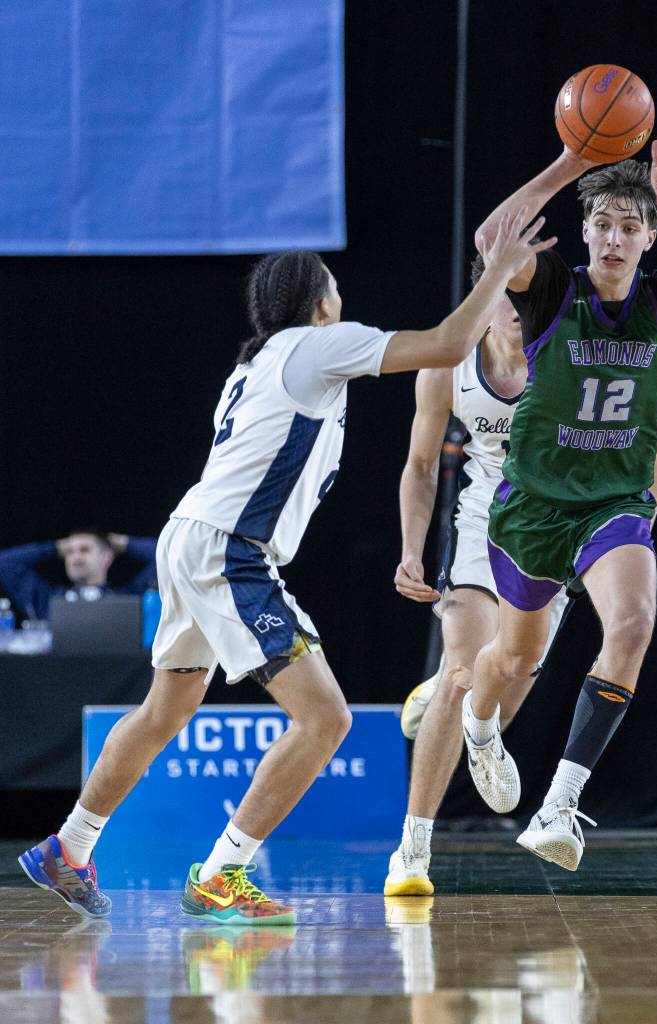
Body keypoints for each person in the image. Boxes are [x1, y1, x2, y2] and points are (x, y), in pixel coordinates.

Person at [19, 210, 556, 924]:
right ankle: (221, 873)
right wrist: (500, 270)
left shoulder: (258, 362)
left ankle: (71, 845)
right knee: (324, 718)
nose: (343, 299)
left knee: (165, 710)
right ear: (319, 300)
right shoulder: (318, 344)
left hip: (188, 538)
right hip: (228, 551)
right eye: (335, 287)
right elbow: (448, 344)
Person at [460, 129, 657, 872]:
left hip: (613, 502)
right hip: (534, 506)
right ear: (584, 230)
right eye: (601, 223)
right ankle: (479, 725)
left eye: (629, 226)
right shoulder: (551, 291)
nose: (612, 237)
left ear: (645, 238)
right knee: (513, 659)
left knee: (633, 621)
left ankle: (559, 805)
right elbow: (489, 240)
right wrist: (572, 162)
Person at [384, 257, 657, 895]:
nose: (518, 310)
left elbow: (655, 441)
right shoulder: (449, 364)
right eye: (505, 299)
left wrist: (633, 517)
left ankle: (479, 726)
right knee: (466, 663)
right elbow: (420, 463)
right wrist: (411, 549)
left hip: (561, 514)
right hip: (485, 517)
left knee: (514, 668)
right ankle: (411, 851)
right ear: (483, 301)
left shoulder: (568, 346)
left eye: (525, 298)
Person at [0, 531, 157, 621]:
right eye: (69, 552)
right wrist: (53, 548)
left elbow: (168, 559)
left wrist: (125, 543)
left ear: (106, 557)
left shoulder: (131, 597)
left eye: (85, 550)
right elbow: (5, 563)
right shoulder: (47, 600)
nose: (76, 557)